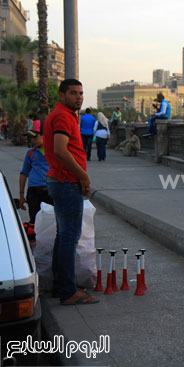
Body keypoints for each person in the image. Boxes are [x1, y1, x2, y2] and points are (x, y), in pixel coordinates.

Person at [43, 79, 98, 305]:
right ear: (62, 95)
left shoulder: (62, 115)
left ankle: (61, 286)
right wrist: (83, 176)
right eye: (73, 93)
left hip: (61, 181)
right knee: (68, 237)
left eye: (81, 93)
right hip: (66, 182)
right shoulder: (63, 117)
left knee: (63, 236)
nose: (79, 97)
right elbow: (60, 150)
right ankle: (68, 291)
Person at [19, 120, 53, 224]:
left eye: (35, 137)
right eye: (31, 138)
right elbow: (24, 173)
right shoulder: (30, 153)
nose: (32, 140)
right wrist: (21, 195)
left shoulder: (55, 151)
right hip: (34, 191)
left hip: (50, 190)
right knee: (35, 220)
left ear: (44, 135)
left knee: (51, 220)